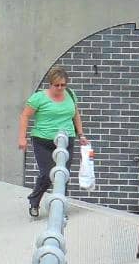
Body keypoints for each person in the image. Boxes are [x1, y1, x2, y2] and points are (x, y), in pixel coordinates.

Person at [18, 65, 89, 219]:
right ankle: (34, 201)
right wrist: (22, 138)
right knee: (46, 173)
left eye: (63, 85)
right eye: (56, 85)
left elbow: (75, 115)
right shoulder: (39, 98)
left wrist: (81, 134)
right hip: (43, 140)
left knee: (63, 175)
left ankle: (60, 208)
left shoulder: (70, 94)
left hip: (66, 139)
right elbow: (25, 116)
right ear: (50, 84)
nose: (60, 88)